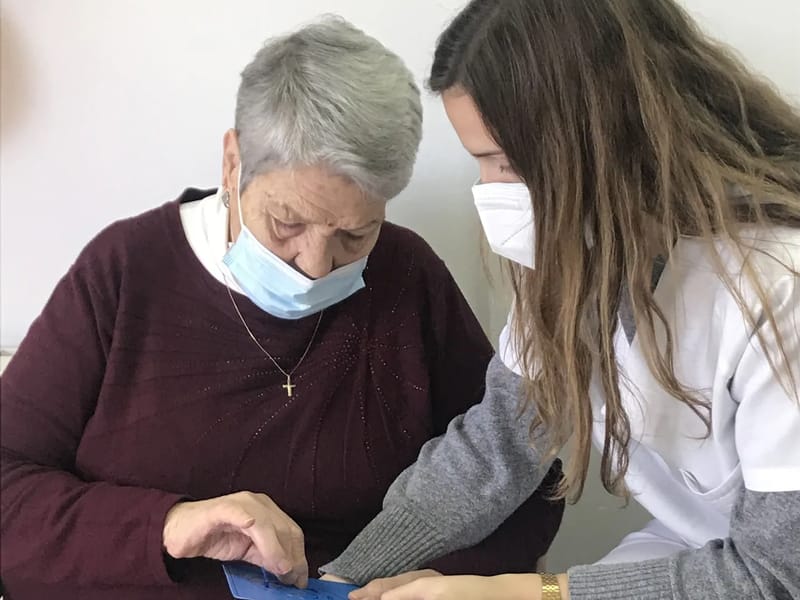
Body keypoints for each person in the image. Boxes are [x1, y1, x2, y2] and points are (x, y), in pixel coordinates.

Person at [0, 16, 565, 600]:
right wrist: (167, 525)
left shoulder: (407, 278)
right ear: (232, 163)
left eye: (354, 235)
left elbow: (524, 479)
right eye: (286, 223)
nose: (316, 264)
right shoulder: (124, 273)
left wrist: (440, 581)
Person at [319, 1, 800, 599]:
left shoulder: (779, 286)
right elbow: (496, 446)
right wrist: (343, 577)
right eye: (481, 163)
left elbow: (776, 574)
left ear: (606, 137)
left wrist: (526, 592)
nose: (490, 193)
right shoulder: (580, 258)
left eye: (509, 163)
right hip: (703, 547)